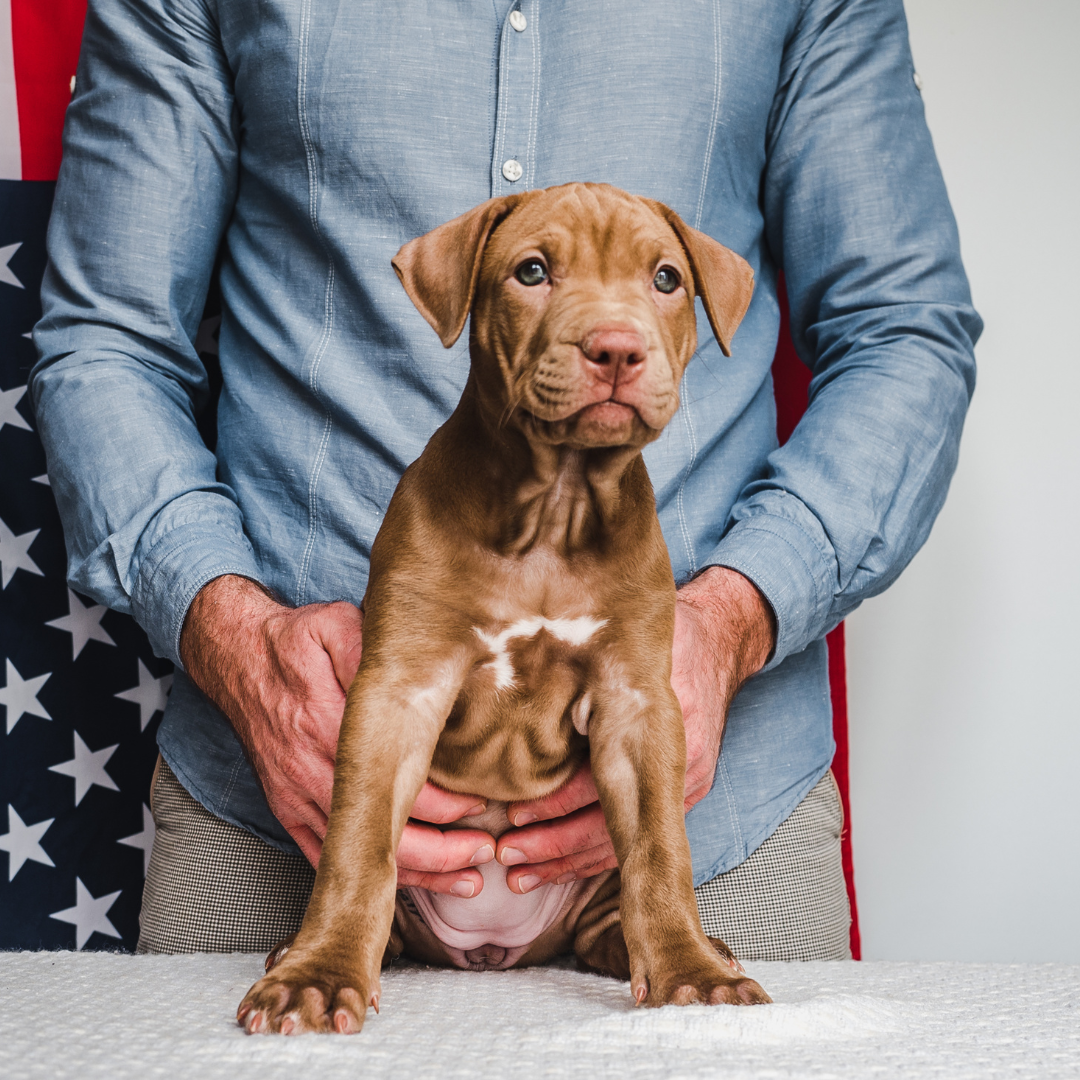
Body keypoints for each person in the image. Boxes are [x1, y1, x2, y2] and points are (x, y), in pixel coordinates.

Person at [31, 0, 980, 960]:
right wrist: (235, 638)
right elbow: (106, 337)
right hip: (285, 792)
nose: (611, 331)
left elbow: (904, 331)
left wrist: (730, 624)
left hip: (719, 809)